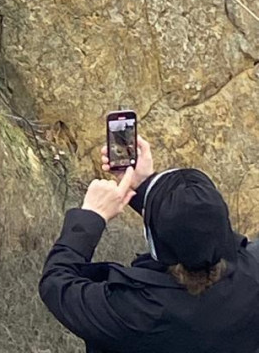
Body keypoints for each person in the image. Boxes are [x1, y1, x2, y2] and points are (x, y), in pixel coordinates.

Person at [39, 136, 259, 352]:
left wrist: (92, 216)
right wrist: (143, 185)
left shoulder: (136, 311)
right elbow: (197, 230)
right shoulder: (252, 275)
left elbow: (56, 283)